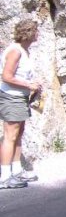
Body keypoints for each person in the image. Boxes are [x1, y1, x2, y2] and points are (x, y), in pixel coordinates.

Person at [0, 19, 42, 188]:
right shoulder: (15, 51)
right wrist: (28, 85)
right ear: (29, 33)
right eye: (36, 31)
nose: (38, 34)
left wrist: (34, 85)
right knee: (10, 136)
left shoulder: (23, 51)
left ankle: (17, 171)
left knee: (18, 134)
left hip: (20, 97)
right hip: (12, 97)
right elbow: (6, 76)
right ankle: (5, 177)